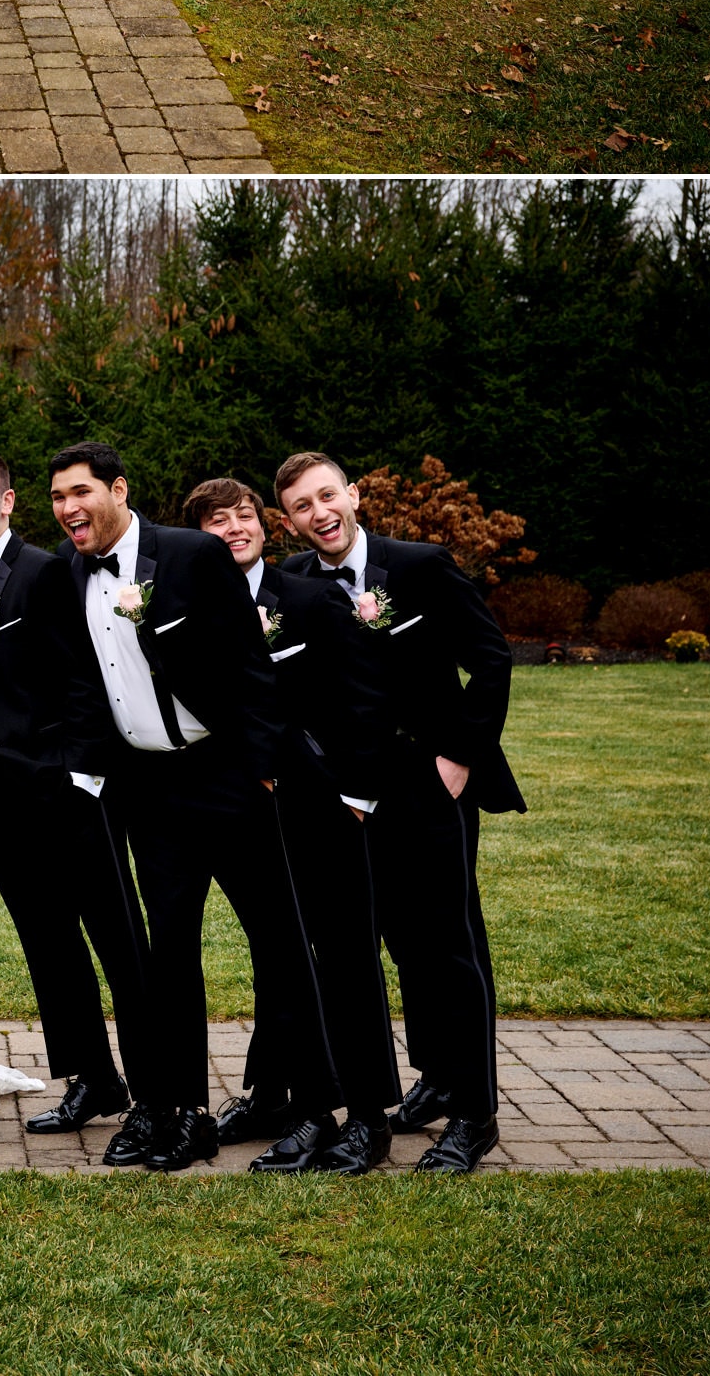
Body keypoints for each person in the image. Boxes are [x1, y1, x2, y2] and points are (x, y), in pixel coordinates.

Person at [48, 442, 341, 1172]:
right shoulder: (70, 573)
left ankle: (316, 1111)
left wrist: (261, 768)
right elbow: (88, 685)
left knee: (279, 943)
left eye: (80, 492)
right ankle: (180, 1114)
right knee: (168, 955)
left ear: (119, 488)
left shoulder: (192, 557)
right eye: (56, 498)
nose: (68, 509)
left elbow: (250, 666)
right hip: (149, 789)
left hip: (228, 776)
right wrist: (88, 780)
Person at [275, 452, 523, 1175]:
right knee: (393, 943)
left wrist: (458, 757)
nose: (318, 513)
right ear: (286, 518)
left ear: (353, 495)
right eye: (300, 505)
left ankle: (474, 1114)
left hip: (428, 780)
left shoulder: (418, 566)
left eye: (327, 496)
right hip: (348, 798)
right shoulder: (293, 584)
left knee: (448, 944)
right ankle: (437, 1077)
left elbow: (491, 658)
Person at [0, 447, 158, 1142]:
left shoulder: (47, 572)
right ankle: (92, 1079)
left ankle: (156, 1096)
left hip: (69, 794)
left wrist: (82, 774)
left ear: (6, 502)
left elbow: (87, 676)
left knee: (119, 946)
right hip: (0, 805)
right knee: (49, 947)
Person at [183, 475, 401, 1172]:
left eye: (244, 515)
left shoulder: (307, 599)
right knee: (280, 960)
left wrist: (357, 796)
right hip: (247, 816)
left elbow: (365, 699)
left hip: (322, 808)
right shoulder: (191, 615)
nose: (235, 528)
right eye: (217, 522)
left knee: (344, 960)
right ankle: (282, 1099)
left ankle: (367, 1119)